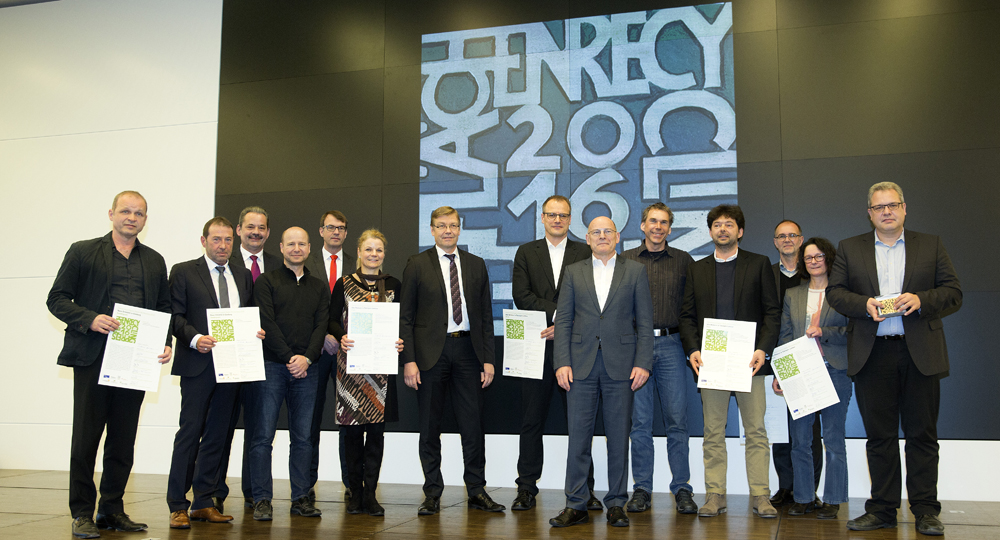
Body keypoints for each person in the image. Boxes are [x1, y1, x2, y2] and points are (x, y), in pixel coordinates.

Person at [827, 182, 961, 536]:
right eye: (878, 207)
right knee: (880, 437)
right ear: (869, 213)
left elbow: (953, 291)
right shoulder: (850, 247)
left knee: (922, 435)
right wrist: (864, 304)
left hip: (920, 353)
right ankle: (882, 509)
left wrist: (922, 300)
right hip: (873, 355)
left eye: (892, 205)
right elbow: (835, 293)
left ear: (904, 209)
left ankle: (926, 511)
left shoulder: (930, 244)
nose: (886, 211)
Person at [47, 191, 172, 539]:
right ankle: (82, 513)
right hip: (93, 356)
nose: (132, 217)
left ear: (145, 220)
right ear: (111, 214)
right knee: (86, 439)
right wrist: (90, 319)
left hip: (136, 359)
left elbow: (164, 308)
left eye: (139, 213)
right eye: (126, 211)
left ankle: (112, 509)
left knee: (122, 440)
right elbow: (56, 298)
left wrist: (166, 342)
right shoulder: (83, 251)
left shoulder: (154, 260)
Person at [548, 216, 653, 528]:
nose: (603, 236)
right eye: (597, 232)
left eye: (608, 231)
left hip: (622, 366)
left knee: (618, 438)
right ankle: (576, 503)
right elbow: (563, 322)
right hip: (578, 365)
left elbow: (645, 322)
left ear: (618, 237)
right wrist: (561, 362)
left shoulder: (635, 271)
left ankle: (617, 503)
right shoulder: (573, 272)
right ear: (588, 237)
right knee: (578, 438)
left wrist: (643, 361)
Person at [399, 206, 505, 515]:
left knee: (473, 426)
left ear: (459, 229)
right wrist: (409, 360)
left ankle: (476, 490)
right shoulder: (416, 264)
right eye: (441, 226)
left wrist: (488, 359)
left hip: (469, 353)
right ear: (431, 230)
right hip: (430, 355)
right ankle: (432, 492)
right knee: (430, 427)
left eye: (453, 225)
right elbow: (405, 318)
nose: (448, 230)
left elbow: (486, 317)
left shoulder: (475, 265)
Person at [679, 204, 781, 519]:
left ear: (740, 231)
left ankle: (761, 496)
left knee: (756, 431)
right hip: (712, 364)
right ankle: (714, 495)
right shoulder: (697, 269)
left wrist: (764, 349)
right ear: (710, 232)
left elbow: (772, 313)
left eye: (729, 224)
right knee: (712, 431)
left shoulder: (759, 264)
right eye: (717, 225)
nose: (723, 229)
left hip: (749, 362)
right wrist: (693, 349)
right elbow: (686, 315)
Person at [165, 217, 258, 529]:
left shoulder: (243, 276)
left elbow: (245, 317)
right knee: (190, 434)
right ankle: (178, 504)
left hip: (232, 366)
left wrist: (252, 333)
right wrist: (194, 338)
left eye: (228, 240)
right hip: (198, 363)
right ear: (203, 241)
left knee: (218, 435)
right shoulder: (183, 271)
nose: (223, 246)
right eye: (216, 239)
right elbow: (174, 316)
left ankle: (204, 501)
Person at [509, 195, 600, 512]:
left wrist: (563, 322)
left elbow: (592, 294)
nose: (557, 220)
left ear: (570, 219)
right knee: (531, 421)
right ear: (543, 218)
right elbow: (521, 295)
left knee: (580, 423)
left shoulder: (583, 251)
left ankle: (585, 489)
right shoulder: (526, 252)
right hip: (535, 344)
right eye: (551, 214)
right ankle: (526, 489)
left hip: (575, 348)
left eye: (563, 215)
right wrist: (558, 316)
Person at [248, 227, 329, 521]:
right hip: (272, 367)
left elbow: (321, 326)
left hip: (309, 370)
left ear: (309, 248)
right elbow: (266, 321)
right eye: (290, 244)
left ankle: (301, 498)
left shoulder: (320, 287)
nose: (296, 248)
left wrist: (306, 358)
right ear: (281, 247)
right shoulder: (266, 282)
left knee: (304, 438)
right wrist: (289, 358)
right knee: (262, 436)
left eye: (302, 244)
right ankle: (262, 499)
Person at [622, 203, 698, 515]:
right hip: (636, 347)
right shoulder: (624, 260)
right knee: (639, 422)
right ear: (642, 226)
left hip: (672, 345)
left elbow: (692, 308)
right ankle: (641, 489)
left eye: (664, 222)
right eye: (652, 221)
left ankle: (682, 488)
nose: (658, 227)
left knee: (677, 421)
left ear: (669, 228)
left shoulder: (683, 261)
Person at [774, 237, 851, 519]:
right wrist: (781, 372)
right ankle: (804, 497)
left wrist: (825, 333)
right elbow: (784, 336)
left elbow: (855, 332)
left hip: (835, 370)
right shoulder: (793, 294)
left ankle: (832, 499)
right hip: (800, 371)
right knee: (800, 440)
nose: (814, 261)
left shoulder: (843, 294)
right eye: (809, 258)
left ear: (828, 258)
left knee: (833, 438)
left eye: (819, 256)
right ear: (803, 263)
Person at [330, 229, 404, 516]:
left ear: (384, 254)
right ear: (359, 252)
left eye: (379, 250)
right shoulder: (344, 283)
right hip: (351, 368)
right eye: (369, 249)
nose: (374, 254)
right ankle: (354, 494)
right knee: (351, 435)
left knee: (375, 434)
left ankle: (371, 495)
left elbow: (402, 322)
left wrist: (400, 341)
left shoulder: (394, 284)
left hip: (381, 372)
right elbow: (331, 319)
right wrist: (341, 336)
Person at [218, 205, 282, 511]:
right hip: (227, 356)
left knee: (257, 428)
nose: (256, 232)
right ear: (239, 230)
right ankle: (215, 489)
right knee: (222, 425)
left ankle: (251, 491)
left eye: (262, 228)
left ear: (268, 233)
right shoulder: (222, 261)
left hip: (266, 359)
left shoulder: (277, 264)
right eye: (250, 227)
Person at [768, 219, 823, 507]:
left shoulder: (814, 274)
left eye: (792, 235)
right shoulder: (766, 275)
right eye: (781, 236)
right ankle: (786, 487)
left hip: (811, 361)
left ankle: (808, 489)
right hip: (777, 358)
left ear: (801, 240)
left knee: (809, 430)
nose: (787, 240)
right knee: (780, 428)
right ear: (775, 242)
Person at [304, 210, 355, 504]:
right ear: (321, 230)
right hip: (316, 351)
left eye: (341, 228)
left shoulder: (355, 263)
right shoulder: (306, 263)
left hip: (349, 353)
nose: (336, 232)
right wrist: (322, 335)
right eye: (330, 227)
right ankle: (306, 483)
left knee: (348, 419)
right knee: (309, 420)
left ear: (346, 233)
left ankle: (351, 483)